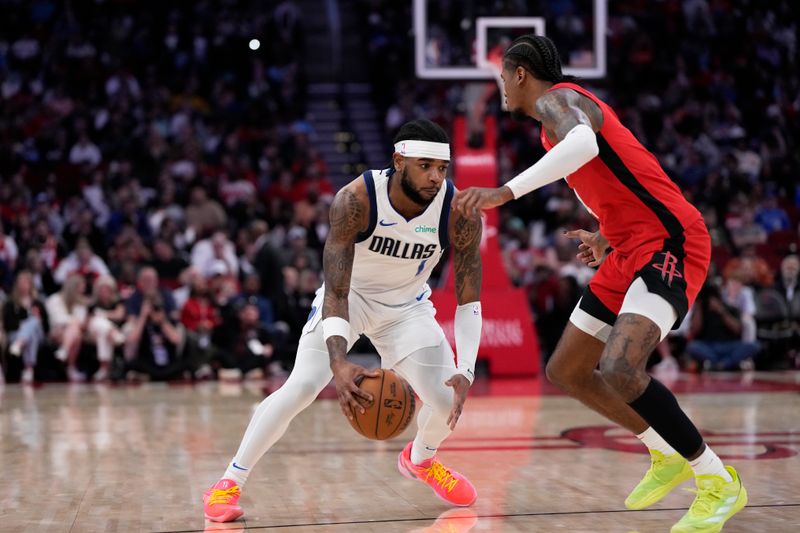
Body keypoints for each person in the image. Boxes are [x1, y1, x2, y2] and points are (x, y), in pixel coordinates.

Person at [454, 35, 746, 533]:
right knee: (567, 369)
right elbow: (624, 174)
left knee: (619, 366)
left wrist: (504, 192)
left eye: (503, 76)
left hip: (670, 242)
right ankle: (663, 452)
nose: (501, 87)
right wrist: (607, 233)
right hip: (629, 245)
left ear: (521, 73)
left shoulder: (560, 99)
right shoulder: (555, 121)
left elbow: (586, 146)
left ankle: (718, 482)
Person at [203, 119, 484, 522]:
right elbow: (335, 291)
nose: (435, 177)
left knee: (447, 402)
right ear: (399, 160)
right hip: (350, 298)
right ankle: (228, 483)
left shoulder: (459, 212)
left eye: (442, 168)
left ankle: (420, 459)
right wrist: (338, 361)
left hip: (407, 308)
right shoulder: (356, 199)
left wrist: (467, 369)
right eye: (425, 166)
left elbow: (469, 298)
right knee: (300, 387)